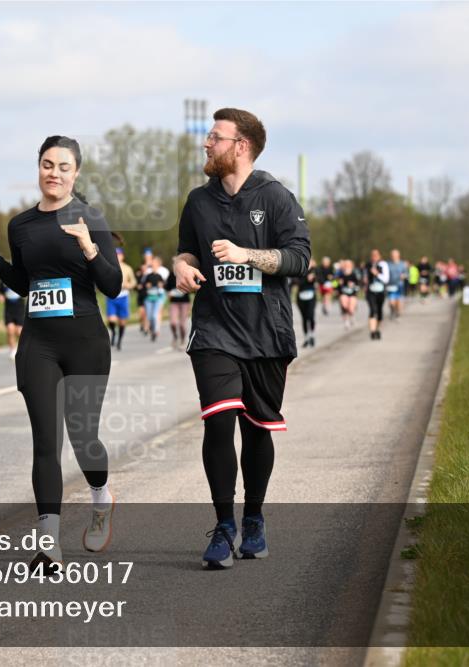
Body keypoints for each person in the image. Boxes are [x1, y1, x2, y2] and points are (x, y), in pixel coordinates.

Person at [0, 135, 122, 574]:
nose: (53, 173)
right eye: (46, 164)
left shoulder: (89, 218)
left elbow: (112, 287)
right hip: (38, 344)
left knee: (83, 441)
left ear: (76, 173)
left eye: (62, 166)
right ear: (37, 168)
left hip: (85, 344)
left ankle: (101, 497)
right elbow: (26, 283)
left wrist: (89, 248)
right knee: (46, 442)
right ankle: (49, 545)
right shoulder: (20, 225)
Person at [173, 107, 310, 568]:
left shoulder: (275, 197)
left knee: (256, 429)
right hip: (214, 328)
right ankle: (224, 526)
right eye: (208, 137)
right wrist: (182, 267)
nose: (207, 144)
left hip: (266, 332)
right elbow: (186, 250)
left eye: (215, 137)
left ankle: (254, 518)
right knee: (218, 421)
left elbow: (298, 259)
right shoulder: (198, 201)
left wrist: (246, 255)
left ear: (241, 146)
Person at [106, 247, 136, 351]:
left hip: (123, 296)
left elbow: (133, 282)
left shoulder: (128, 268)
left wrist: (128, 285)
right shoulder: (108, 266)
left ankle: (119, 341)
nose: (117, 257)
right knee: (111, 319)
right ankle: (113, 332)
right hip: (112, 296)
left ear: (122, 256)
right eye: (116, 254)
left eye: (119, 255)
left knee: (122, 322)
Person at [365, 249, 390, 340]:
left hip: (381, 292)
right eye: (373, 255)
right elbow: (365, 277)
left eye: (376, 255)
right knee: (372, 310)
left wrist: (377, 274)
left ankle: (377, 328)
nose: (374, 257)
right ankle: (372, 331)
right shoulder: (368, 265)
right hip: (371, 291)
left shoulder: (383, 265)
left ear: (379, 256)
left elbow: (386, 279)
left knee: (379, 312)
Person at [142, 256, 168, 342]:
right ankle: (152, 329)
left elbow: (165, 284)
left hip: (158, 296)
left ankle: (156, 330)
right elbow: (143, 283)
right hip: (149, 297)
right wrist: (146, 285)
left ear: (158, 264)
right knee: (149, 316)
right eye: (152, 262)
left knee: (155, 315)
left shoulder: (162, 272)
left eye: (155, 262)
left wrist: (161, 285)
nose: (153, 264)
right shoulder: (148, 273)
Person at [166, 267, 192, 351]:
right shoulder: (171, 274)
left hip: (184, 302)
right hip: (174, 302)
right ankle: (175, 336)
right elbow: (166, 287)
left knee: (182, 324)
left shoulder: (187, 273)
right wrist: (169, 292)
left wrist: (188, 289)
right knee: (173, 322)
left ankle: (183, 340)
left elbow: (193, 287)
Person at [0, 281, 25, 360]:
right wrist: (0, 296)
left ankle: (22, 348)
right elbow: (0, 292)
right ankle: (13, 350)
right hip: (9, 309)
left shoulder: (19, 278)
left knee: (19, 332)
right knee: (10, 330)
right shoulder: (3, 281)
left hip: (19, 308)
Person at [295, 260, 318, 347]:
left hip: (311, 296)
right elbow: (296, 282)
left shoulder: (314, 271)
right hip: (301, 297)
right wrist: (306, 279)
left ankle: (312, 335)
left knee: (310, 316)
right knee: (304, 318)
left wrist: (313, 278)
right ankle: (306, 338)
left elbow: (318, 279)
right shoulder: (298, 271)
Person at [337, 258, 361, 329]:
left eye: (348, 265)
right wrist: (338, 283)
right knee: (344, 306)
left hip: (352, 293)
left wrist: (353, 285)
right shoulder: (340, 274)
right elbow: (333, 283)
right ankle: (346, 321)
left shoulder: (354, 274)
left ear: (351, 266)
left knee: (350, 309)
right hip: (343, 293)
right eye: (345, 265)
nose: (347, 266)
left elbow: (359, 285)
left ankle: (352, 316)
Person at [386, 249, 407, 320]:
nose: (393, 256)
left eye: (395, 255)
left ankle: (397, 312)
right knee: (391, 301)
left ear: (398, 255)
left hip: (399, 285)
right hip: (390, 285)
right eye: (392, 255)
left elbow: (407, 273)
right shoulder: (388, 264)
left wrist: (404, 276)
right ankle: (392, 311)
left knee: (398, 302)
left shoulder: (402, 264)